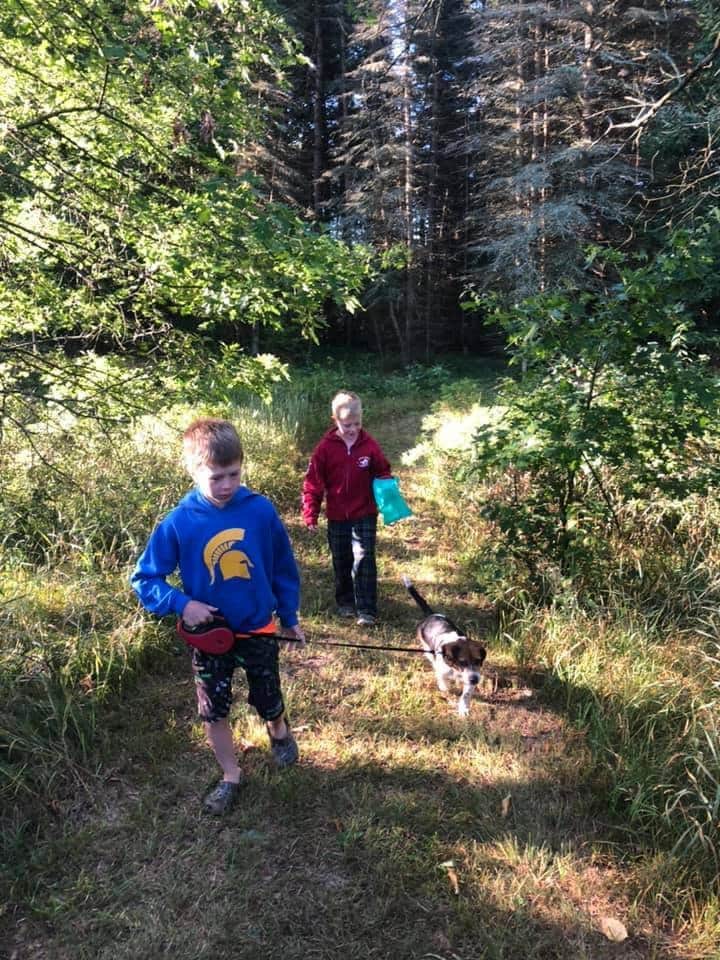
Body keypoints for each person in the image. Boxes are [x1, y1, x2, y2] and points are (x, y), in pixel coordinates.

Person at [131, 417, 304, 816]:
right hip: (209, 636)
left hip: (259, 627)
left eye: (234, 474)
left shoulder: (260, 511)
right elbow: (144, 578)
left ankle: (278, 730)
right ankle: (230, 775)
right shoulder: (179, 522)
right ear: (193, 470)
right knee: (213, 710)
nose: (227, 485)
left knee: (268, 697)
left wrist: (289, 614)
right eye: (216, 477)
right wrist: (182, 604)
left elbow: (282, 566)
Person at [302, 390, 391, 627]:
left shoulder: (369, 446)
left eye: (357, 424)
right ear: (335, 420)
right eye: (346, 424)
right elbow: (313, 482)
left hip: (365, 512)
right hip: (337, 515)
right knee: (341, 559)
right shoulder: (325, 449)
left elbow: (383, 473)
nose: (352, 429)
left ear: (362, 419)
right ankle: (345, 602)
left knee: (364, 557)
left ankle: (367, 609)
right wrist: (311, 513)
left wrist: (389, 505)